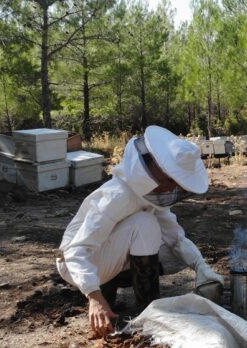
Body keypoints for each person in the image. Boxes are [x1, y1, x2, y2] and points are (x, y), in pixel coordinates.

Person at [56, 125, 224, 338]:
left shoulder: (150, 197)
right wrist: (94, 297)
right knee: (145, 223)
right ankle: (147, 309)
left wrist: (202, 267)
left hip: (105, 259)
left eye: (176, 184)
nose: (170, 189)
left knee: (177, 253)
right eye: (169, 181)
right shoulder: (117, 196)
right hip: (75, 263)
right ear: (153, 167)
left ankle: (113, 289)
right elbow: (76, 250)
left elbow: (175, 237)